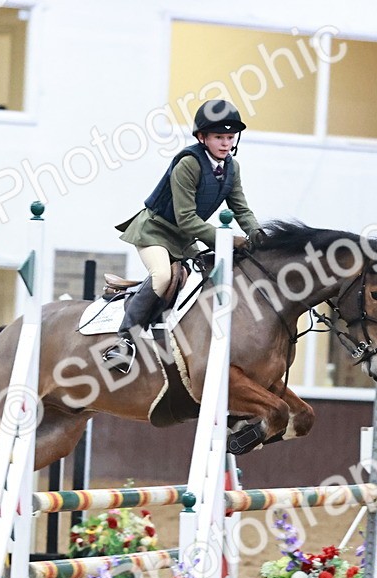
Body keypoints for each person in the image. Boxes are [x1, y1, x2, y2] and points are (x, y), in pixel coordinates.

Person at [103, 99, 264, 374]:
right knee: (163, 277)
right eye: (218, 137)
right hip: (154, 231)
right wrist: (228, 240)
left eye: (229, 137)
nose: (226, 143)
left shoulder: (231, 168)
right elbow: (186, 218)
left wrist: (259, 236)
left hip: (184, 238)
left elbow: (240, 208)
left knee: (208, 277)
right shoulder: (188, 164)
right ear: (202, 137)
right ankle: (124, 341)